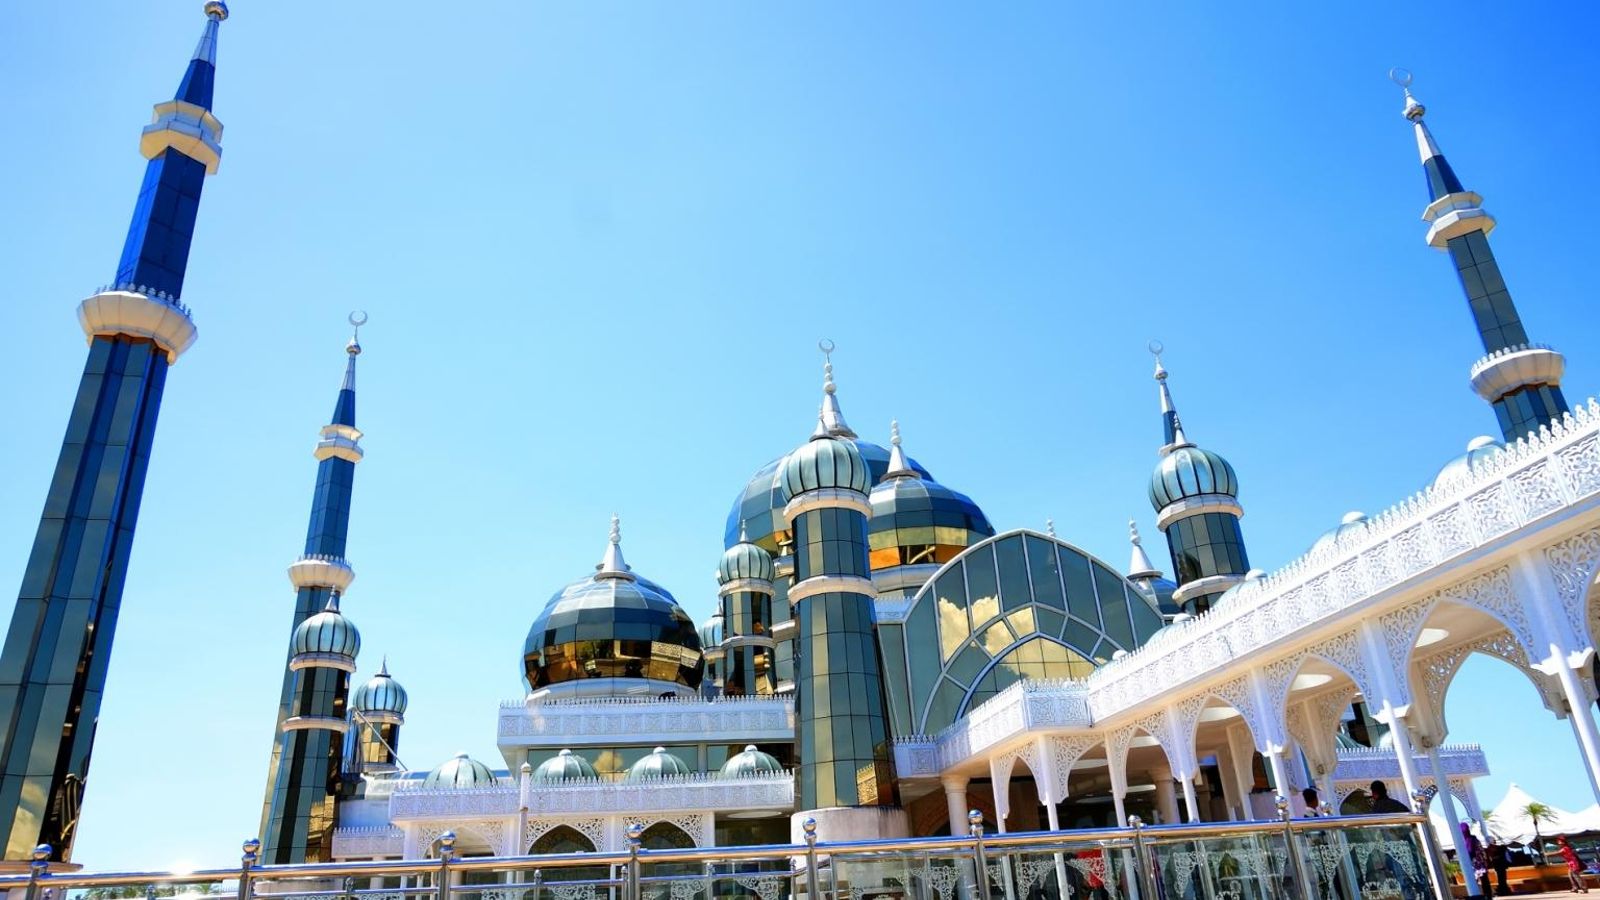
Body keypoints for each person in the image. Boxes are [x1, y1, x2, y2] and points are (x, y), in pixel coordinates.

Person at [1462, 823, 1493, 899]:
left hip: (1475, 865)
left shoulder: (1468, 840)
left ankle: (1479, 896)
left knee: (1475, 882)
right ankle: (1488, 896)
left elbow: (1470, 852)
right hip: (1480, 864)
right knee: (1484, 881)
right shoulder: (1474, 839)